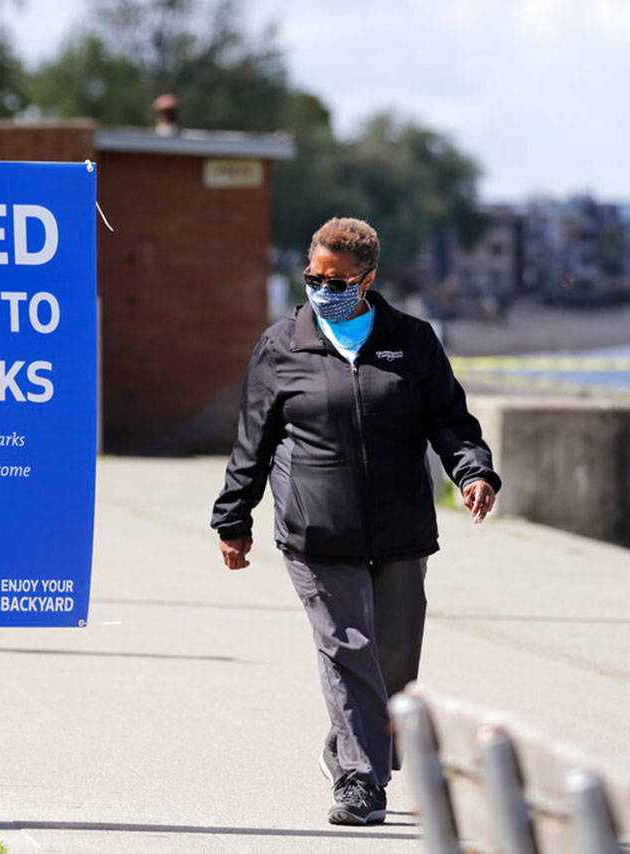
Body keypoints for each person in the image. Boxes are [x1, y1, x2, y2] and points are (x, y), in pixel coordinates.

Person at [211, 217, 501, 827]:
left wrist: (473, 472)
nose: (320, 287)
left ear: (366, 279)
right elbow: (253, 439)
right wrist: (233, 516)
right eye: (312, 276)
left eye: (336, 278)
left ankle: (345, 744)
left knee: (395, 658)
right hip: (315, 527)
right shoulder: (281, 344)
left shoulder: (412, 340)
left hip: (400, 527)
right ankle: (361, 780)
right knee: (348, 646)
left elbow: (450, 421)